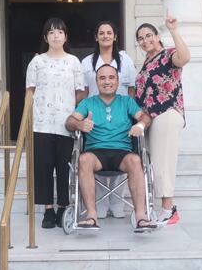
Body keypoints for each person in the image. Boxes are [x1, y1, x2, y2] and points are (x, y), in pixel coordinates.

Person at [65, 64, 156, 232]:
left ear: (118, 81)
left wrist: (141, 125)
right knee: (83, 159)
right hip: (96, 153)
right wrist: (80, 123)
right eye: (102, 78)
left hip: (122, 153)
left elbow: (145, 117)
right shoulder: (88, 103)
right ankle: (91, 216)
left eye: (111, 77)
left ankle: (141, 216)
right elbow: (70, 121)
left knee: (136, 160)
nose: (107, 81)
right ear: (97, 82)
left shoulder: (126, 101)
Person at [26, 17, 86, 229]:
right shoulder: (37, 61)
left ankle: (63, 207)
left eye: (60, 31)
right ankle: (47, 210)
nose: (55, 35)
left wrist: (73, 112)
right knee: (43, 168)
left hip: (66, 124)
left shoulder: (73, 62)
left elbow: (81, 92)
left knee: (64, 167)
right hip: (41, 124)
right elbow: (30, 92)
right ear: (45, 37)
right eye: (51, 32)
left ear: (65, 36)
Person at [134, 11, 190, 226]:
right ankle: (163, 207)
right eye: (140, 38)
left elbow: (184, 58)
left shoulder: (168, 55)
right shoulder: (147, 62)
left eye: (149, 35)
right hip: (151, 118)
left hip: (167, 114)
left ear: (157, 36)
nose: (145, 40)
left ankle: (169, 209)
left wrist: (174, 30)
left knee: (163, 162)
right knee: (155, 163)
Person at [81, 21, 137, 219]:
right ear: (96, 37)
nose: (105, 36)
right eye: (101, 33)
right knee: (98, 154)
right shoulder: (87, 62)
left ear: (115, 36)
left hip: (121, 114)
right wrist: (78, 116)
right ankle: (102, 203)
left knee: (121, 152)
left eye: (109, 33)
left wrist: (131, 114)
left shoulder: (125, 60)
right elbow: (84, 91)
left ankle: (117, 202)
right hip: (94, 115)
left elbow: (131, 88)